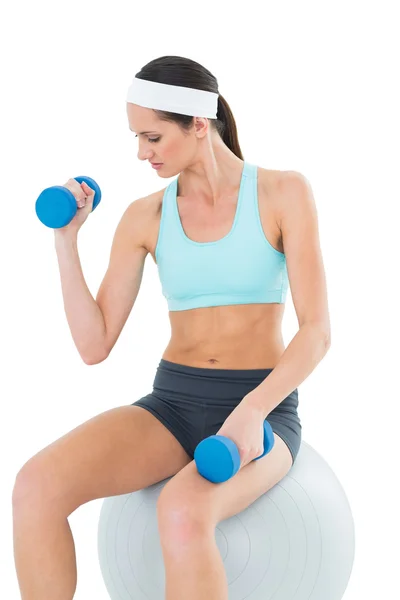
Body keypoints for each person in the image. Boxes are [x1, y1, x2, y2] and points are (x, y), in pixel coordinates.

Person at [12, 55, 331, 600]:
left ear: (198, 124)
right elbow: (94, 344)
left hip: (261, 409)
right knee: (35, 486)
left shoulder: (283, 193)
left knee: (182, 511)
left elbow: (317, 330)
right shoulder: (145, 217)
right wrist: (65, 240)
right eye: (137, 138)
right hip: (173, 402)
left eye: (152, 136)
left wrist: (253, 410)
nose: (141, 152)